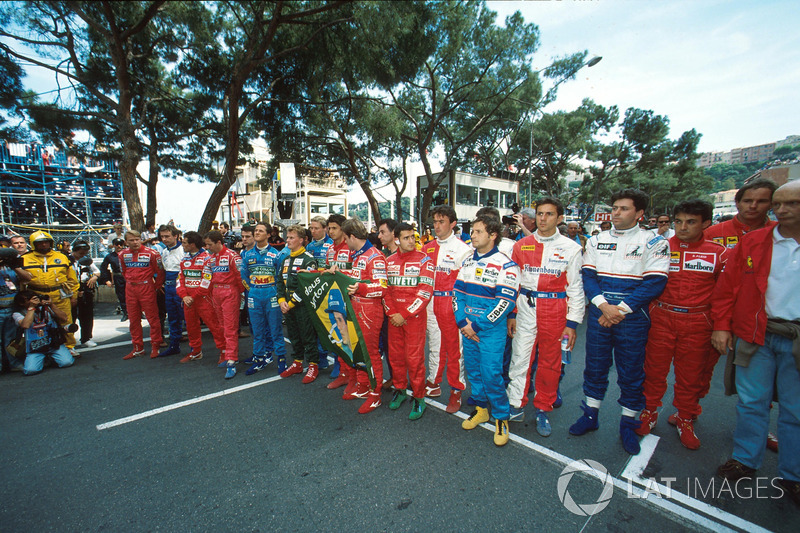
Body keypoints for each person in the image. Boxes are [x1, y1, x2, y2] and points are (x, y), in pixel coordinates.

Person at [712, 181, 800, 507]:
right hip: (756, 335)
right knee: (752, 402)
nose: (782, 209)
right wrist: (722, 326)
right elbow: (727, 288)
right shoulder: (753, 242)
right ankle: (745, 459)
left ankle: (794, 474)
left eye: (793, 203)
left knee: (795, 410)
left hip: (796, 338)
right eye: (779, 203)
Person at [570, 189, 670, 455]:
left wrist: (620, 309)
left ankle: (628, 423)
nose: (616, 212)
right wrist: (603, 305)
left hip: (632, 316)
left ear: (639, 214)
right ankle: (590, 415)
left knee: (631, 371)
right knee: (595, 366)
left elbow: (655, 283)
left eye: (623, 208)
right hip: (601, 312)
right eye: (614, 207)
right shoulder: (597, 239)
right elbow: (588, 277)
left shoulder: (654, 242)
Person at [635, 200, 727, 450]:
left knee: (691, 375)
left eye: (691, 222)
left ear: (706, 223)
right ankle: (649, 411)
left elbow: (725, 294)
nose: (683, 227)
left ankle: (685, 417)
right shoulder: (658, 246)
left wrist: (722, 326)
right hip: (662, 317)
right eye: (679, 221)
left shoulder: (718, 252)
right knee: (654, 370)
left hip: (698, 320)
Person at [506, 197, 585, 437]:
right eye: (540, 213)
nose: (543, 218)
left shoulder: (572, 248)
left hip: (555, 308)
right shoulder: (521, 245)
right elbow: (512, 281)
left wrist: (572, 323)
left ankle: (543, 408)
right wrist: (512, 312)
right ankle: (515, 404)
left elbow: (576, 288)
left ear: (559, 218)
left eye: (549, 214)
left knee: (550, 362)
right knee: (520, 357)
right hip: (525, 306)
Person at [455, 215, 520, 447]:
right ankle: (481, 409)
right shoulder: (467, 262)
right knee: (474, 371)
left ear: (493, 235)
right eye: (472, 231)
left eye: (478, 231)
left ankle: (501, 417)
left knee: (492, 373)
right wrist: (463, 323)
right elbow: (458, 294)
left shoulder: (507, 265)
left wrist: (476, 325)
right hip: (468, 328)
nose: (472, 235)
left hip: (490, 330)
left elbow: (504, 303)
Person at [422, 205, 472, 413]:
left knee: (454, 348)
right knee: (435, 344)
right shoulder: (427, 248)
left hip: (451, 302)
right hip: (431, 300)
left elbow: (467, 284)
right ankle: (433, 382)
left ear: (452, 224)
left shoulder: (464, 249)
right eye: (434, 222)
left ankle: (456, 390)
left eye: (441, 221)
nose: (437, 226)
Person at [336, 218, 388, 413]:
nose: (345, 243)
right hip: (356, 307)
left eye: (346, 238)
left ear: (351, 236)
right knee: (359, 350)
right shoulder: (358, 254)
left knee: (371, 353)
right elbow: (358, 274)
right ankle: (364, 385)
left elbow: (382, 287)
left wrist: (361, 288)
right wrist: (338, 271)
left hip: (371, 310)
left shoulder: (375, 256)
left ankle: (376, 393)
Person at [385, 222, 435, 420]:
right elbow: (385, 291)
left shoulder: (425, 261)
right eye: (406, 238)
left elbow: (425, 292)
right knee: (396, 357)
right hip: (394, 318)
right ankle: (399, 389)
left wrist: (403, 314)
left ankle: (419, 396)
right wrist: (392, 314)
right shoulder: (388, 262)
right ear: (396, 239)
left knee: (414, 359)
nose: (411, 241)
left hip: (413, 317)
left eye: (413, 237)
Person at [22, 231, 79, 356]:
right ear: (33, 244)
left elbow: (72, 279)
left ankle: (69, 346)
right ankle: (40, 346)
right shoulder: (25, 259)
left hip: (59, 294)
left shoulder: (62, 257)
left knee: (66, 320)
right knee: (39, 322)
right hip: (37, 295)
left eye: (46, 242)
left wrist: (74, 296)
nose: (43, 245)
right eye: (40, 243)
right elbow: (21, 281)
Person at [241, 223, 287, 375]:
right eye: (255, 231)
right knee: (257, 330)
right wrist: (253, 290)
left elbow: (281, 278)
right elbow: (244, 276)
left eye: (260, 231)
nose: (257, 233)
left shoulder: (277, 255)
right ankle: (259, 359)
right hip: (255, 295)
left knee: (275, 329)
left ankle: (281, 359)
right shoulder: (247, 255)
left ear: (268, 235)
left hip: (271, 295)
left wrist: (277, 294)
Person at [276, 225, 320, 383]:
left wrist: (291, 303)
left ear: (301, 240)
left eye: (291, 237)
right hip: (287, 306)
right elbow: (280, 283)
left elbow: (306, 287)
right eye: (287, 237)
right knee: (293, 335)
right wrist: (282, 301)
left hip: (303, 307)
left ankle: (314, 365)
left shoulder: (309, 260)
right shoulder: (285, 259)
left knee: (307, 336)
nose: (288, 240)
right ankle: (297, 363)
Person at [175, 231, 226, 364]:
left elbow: (207, 281)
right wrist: (184, 295)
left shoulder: (207, 259)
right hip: (188, 300)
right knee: (191, 327)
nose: (182, 245)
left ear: (192, 244)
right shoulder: (184, 259)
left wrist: (193, 296)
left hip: (204, 300)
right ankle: (196, 351)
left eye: (185, 242)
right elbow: (180, 280)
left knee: (214, 326)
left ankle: (224, 351)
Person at [200, 230, 245, 379]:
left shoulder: (233, 256)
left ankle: (232, 360)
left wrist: (241, 293)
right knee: (222, 326)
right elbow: (206, 280)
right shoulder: (209, 259)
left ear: (219, 242)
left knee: (230, 328)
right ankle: (227, 354)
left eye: (210, 244)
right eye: (206, 245)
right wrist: (197, 295)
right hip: (216, 294)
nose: (207, 248)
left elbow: (240, 278)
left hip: (230, 293)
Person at [120, 230, 165, 360]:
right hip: (130, 288)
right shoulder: (122, 254)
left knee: (153, 318)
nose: (135, 242)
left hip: (147, 287)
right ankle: (138, 348)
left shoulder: (152, 253)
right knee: (133, 320)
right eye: (131, 240)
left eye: (137, 239)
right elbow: (123, 271)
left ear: (140, 239)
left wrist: (156, 287)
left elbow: (160, 272)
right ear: (126, 242)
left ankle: (156, 345)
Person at [11, 291, 74, 375]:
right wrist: (31, 308)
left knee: (66, 362)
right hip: (35, 347)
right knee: (30, 370)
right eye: (28, 299)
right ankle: (43, 359)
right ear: (21, 303)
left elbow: (64, 318)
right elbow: (25, 325)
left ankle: (50, 358)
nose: (34, 301)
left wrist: (51, 305)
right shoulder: (18, 313)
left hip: (53, 343)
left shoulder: (45, 308)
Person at [704, 178, 777, 250]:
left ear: (771, 204)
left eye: (761, 201)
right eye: (747, 201)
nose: (753, 206)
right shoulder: (711, 234)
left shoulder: (781, 231)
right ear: (737, 203)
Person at [325, 213, 352, 387]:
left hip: (350, 298)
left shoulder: (351, 248)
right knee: (337, 334)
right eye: (329, 227)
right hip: (334, 297)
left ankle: (353, 373)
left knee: (350, 337)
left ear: (343, 229)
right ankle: (342, 370)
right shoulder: (329, 249)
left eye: (334, 228)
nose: (331, 231)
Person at [306, 216, 334, 369]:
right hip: (314, 291)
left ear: (325, 229)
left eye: (316, 228)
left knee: (332, 324)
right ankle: (321, 356)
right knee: (317, 325)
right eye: (311, 228)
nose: (313, 231)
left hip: (330, 290)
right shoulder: (309, 246)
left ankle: (338, 361)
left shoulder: (331, 245)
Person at [1, 245, 32, 371]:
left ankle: (14, 363)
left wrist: (14, 266)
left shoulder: (11, 268)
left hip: (12, 309)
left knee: (11, 339)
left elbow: (28, 278)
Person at [157, 225, 185, 357]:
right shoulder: (164, 252)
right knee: (172, 317)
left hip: (182, 286)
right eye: (162, 236)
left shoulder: (184, 250)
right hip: (168, 287)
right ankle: (174, 345)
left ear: (175, 236)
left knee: (187, 317)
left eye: (167, 236)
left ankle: (196, 349)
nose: (164, 239)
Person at [70, 240, 100, 348]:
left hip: (85, 287)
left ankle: (86, 338)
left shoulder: (86, 260)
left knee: (87, 315)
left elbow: (97, 271)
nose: (82, 256)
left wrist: (94, 277)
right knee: (71, 316)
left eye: (84, 253)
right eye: (80, 253)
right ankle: (69, 341)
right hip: (72, 289)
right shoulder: (67, 260)